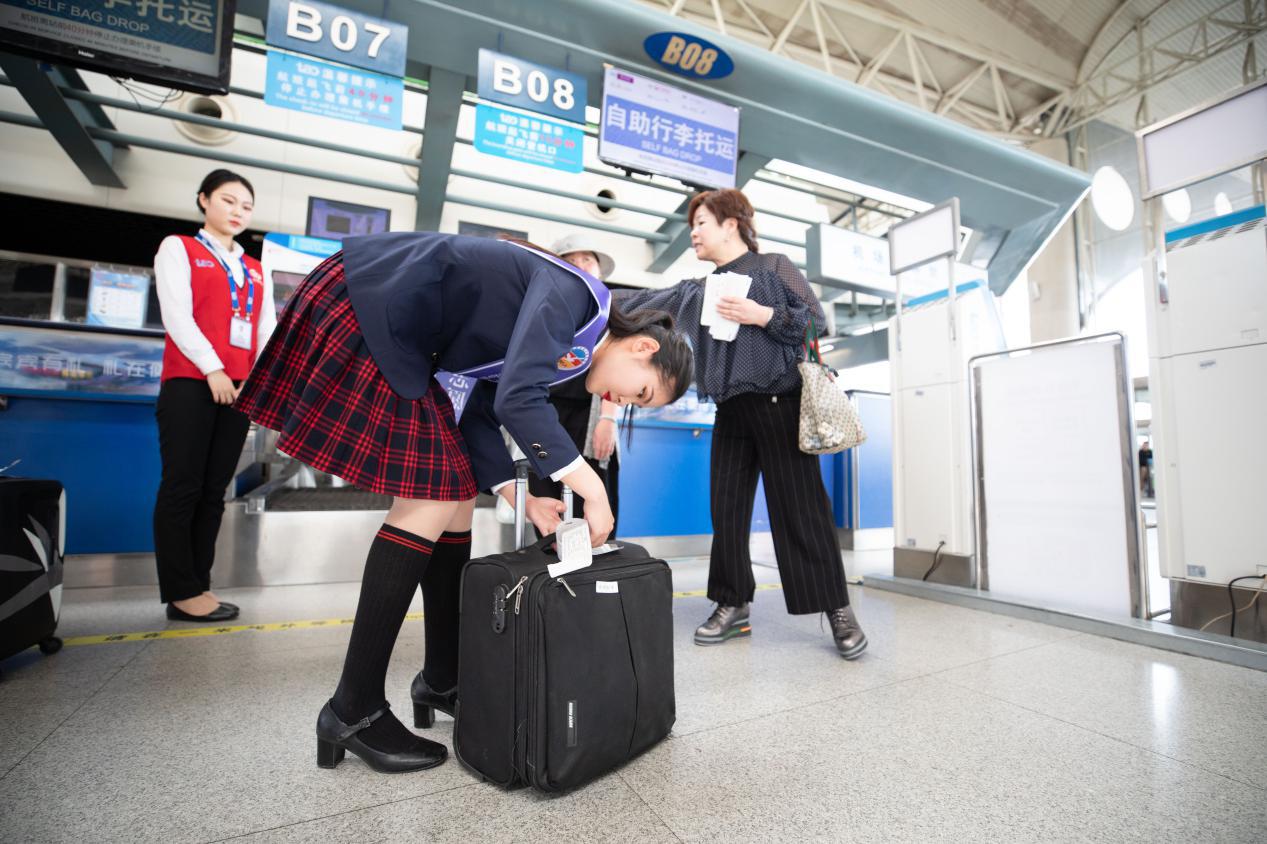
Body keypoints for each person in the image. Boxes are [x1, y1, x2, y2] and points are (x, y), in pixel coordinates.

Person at [234, 232, 692, 774]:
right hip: (372, 304)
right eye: (640, 392)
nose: (620, 402)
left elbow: (477, 405)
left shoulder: (575, 346)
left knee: (453, 496)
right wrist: (591, 486)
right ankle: (351, 708)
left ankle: (441, 679)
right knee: (431, 497)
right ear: (644, 347)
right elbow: (516, 398)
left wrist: (520, 499)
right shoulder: (581, 297)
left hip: (386, 315)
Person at [615, 188, 867, 659]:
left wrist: (762, 314)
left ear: (731, 223)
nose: (693, 232)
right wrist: (591, 293)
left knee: (801, 510)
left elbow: (816, 325)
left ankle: (836, 608)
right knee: (726, 512)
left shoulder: (774, 267)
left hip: (781, 402)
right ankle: (732, 604)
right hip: (729, 411)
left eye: (701, 222)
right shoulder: (700, 289)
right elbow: (650, 299)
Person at [152, 169, 275, 623]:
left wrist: (254, 380)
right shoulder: (179, 248)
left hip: (240, 389)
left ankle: (198, 586)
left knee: (212, 491)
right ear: (203, 200)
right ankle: (180, 590)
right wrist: (213, 369)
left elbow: (265, 332)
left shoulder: (255, 270)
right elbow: (177, 317)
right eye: (228, 201)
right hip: (191, 382)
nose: (238, 211)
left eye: (246, 206)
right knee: (181, 485)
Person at [526, 233, 623, 533]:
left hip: (589, 414)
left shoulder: (609, 310)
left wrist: (608, 418)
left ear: (598, 269)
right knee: (546, 495)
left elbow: (618, 367)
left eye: (587, 259)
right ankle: (548, 573)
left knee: (591, 498)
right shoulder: (544, 306)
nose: (579, 265)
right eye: (570, 260)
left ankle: (593, 572)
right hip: (544, 410)